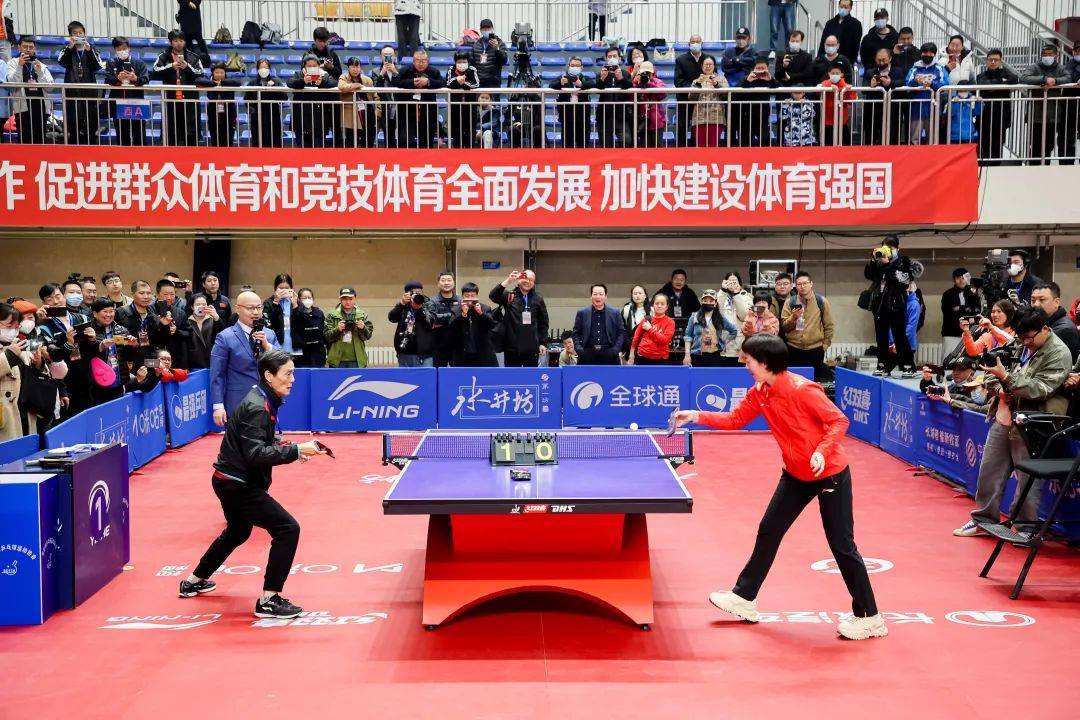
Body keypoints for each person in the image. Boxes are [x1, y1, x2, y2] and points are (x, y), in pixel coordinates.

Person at [672, 334, 886, 641]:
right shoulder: (760, 391)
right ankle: (744, 597)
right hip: (796, 473)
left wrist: (821, 451)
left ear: (764, 362)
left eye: (748, 360)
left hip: (829, 472)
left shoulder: (802, 390)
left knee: (841, 544)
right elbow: (736, 419)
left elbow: (839, 421)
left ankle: (870, 617)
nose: (744, 364)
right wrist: (696, 415)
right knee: (769, 529)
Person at [182, 350, 326, 619]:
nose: (293, 379)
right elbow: (256, 454)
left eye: (293, 373)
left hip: (228, 479)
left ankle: (193, 580)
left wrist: (293, 449)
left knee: (237, 532)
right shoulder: (258, 407)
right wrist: (295, 450)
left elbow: (259, 442)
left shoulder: (263, 398)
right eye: (288, 374)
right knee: (287, 529)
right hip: (238, 485)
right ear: (269, 376)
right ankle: (269, 599)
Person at [954, 307, 1073, 538]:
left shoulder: (1059, 353)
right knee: (989, 473)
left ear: (1045, 329)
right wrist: (999, 386)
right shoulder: (1020, 341)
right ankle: (983, 521)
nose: (1025, 342)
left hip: (1032, 424)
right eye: (1021, 337)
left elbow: (1040, 389)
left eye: (1029, 338)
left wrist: (1006, 379)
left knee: (1028, 480)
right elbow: (991, 370)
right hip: (1002, 416)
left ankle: (1026, 528)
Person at [209, 290, 280, 427]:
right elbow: (217, 374)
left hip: (266, 402)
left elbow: (283, 361)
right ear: (237, 309)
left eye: (258, 307)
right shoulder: (225, 337)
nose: (256, 312)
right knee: (239, 440)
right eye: (250, 308)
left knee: (266, 440)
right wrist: (218, 405)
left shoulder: (269, 334)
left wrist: (267, 346)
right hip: (237, 402)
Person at [864, 239, 917, 375]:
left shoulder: (903, 261)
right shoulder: (879, 262)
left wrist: (887, 265)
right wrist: (873, 260)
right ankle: (882, 365)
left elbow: (903, 279)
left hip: (896, 305)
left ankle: (908, 365)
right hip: (880, 305)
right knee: (881, 338)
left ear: (897, 249)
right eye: (886, 247)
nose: (888, 250)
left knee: (900, 337)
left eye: (891, 247)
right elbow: (869, 275)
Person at [152, 30, 205, 146]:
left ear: (185, 42)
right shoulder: (163, 56)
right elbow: (155, 72)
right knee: (171, 129)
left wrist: (187, 67)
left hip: (189, 100)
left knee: (190, 129)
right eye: (176, 41)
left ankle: (191, 152)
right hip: (170, 99)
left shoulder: (193, 56)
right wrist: (171, 66)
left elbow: (201, 73)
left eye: (181, 40)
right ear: (170, 42)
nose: (179, 43)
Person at [489, 270, 549, 367]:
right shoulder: (509, 295)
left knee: (530, 376)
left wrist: (543, 343)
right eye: (526, 278)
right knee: (512, 376)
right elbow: (493, 295)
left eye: (531, 280)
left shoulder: (538, 298)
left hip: (531, 348)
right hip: (511, 348)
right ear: (519, 279)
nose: (528, 281)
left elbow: (544, 323)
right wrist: (508, 281)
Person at [1023, 45, 1072, 165]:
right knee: (1035, 145)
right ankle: (1034, 169)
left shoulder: (1060, 68)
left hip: (1053, 115)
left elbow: (1068, 77)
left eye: (1050, 54)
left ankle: (1046, 168)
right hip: (1035, 115)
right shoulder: (1034, 67)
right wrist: (1044, 79)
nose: (1047, 56)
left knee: (1049, 145)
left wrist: (1055, 81)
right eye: (1044, 54)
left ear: (1056, 55)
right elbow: (1024, 78)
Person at [57, 21, 104, 145]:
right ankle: (74, 152)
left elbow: (98, 66)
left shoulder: (92, 49)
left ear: (84, 34)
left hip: (90, 95)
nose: (78, 35)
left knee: (91, 128)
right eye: (75, 33)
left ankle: (91, 151)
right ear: (70, 36)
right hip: (72, 95)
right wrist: (70, 48)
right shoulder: (66, 49)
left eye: (80, 33)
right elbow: (62, 63)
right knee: (73, 128)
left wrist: (89, 51)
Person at [780, 271, 834, 378]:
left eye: (805, 283)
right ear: (795, 286)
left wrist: (825, 346)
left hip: (816, 349)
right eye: (799, 284)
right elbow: (785, 327)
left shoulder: (821, 301)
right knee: (794, 381)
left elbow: (829, 326)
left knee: (814, 381)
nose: (802, 286)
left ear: (811, 284)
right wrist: (793, 317)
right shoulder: (789, 302)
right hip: (794, 349)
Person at [0, 302, 38, 441]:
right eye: (8, 326)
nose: (13, 331)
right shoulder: (13, 349)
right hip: (4, 412)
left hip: (24, 408)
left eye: (16, 327)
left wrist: (39, 363)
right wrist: (9, 356)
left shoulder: (19, 344)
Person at [975, 49, 1019, 166]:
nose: (993, 62)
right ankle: (984, 168)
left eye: (996, 60)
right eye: (990, 60)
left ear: (1000, 61)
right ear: (986, 61)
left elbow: (1015, 79)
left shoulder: (1006, 74)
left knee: (998, 144)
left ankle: (996, 168)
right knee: (984, 144)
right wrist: (1001, 82)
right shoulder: (981, 75)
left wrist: (995, 85)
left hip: (1001, 115)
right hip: (985, 115)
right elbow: (984, 85)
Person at [6, 36, 53, 144]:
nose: (28, 49)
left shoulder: (41, 65)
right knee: (24, 139)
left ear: (34, 49)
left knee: (40, 140)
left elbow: (50, 87)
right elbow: (12, 84)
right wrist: (19, 66)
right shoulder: (12, 63)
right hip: (23, 108)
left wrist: (40, 72)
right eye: (25, 47)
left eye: (31, 47)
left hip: (41, 107)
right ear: (19, 47)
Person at [104, 36, 149, 146]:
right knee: (122, 135)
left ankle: (141, 155)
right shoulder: (111, 63)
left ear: (129, 48)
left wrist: (135, 78)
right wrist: (117, 78)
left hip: (137, 103)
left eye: (124, 48)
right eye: (119, 49)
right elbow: (107, 80)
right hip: (118, 103)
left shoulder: (139, 63)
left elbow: (145, 79)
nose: (122, 51)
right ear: (115, 50)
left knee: (139, 135)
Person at [395, 49, 445, 149]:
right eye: (418, 60)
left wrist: (428, 82)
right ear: (413, 61)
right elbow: (396, 82)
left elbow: (442, 83)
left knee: (426, 143)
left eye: (424, 61)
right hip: (407, 112)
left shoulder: (434, 71)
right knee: (405, 140)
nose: (421, 63)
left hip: (427, 112)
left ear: (428, 61)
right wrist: (412, 82)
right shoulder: (405, 70)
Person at [903, 43, 947, 145]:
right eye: (925, 52)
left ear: (934, 54)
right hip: (916, 108)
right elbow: (907, 85)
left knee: (932, 139)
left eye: (930, 53)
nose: (927, 54)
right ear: (921, 53)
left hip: (933, 108)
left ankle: (932, 155)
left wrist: (932, 84)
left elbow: (945, 85)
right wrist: (916, 81)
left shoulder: (940, 68)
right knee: (914, 139)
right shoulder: (914, 68)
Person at [289, 54, 336, 148]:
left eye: (314, 65)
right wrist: (303, 81)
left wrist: (322, 83)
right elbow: (290, 83)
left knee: (318, 150)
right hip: (301, 118)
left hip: (319, 119)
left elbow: (334, 83)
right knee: (302, 149)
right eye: (309, 66)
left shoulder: (324, 75)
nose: (312, 68)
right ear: (304, 67)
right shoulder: (299, 74)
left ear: (319, 66)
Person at [682, 289, 737, 367]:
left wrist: (724, 342)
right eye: (705, 300)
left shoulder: (720, 317)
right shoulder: (694, 317)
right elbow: (688, 336)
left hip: (714, 356)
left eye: (711, 301)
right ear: (701, 302)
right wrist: (687, 355)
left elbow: (733, 331)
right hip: (697, 355)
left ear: (715, 303)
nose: (708, 303)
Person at [115, 280, 169, 361]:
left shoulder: (154, 317)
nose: (146, 296)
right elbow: (115, 339)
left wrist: (164, 325)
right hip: (127, 360)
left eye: (148, 293)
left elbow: (162, 342)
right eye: (141, 293)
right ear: (133, 294)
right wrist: (128, 341)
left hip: (148, 360)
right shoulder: (120, 312)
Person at [572, 284, 624, 365]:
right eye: (595, 294)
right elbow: (576, 333)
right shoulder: (582, 313)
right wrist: (579, 350)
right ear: (591, 296)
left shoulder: (615, 313)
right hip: (587, 354)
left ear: (606, 296)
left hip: (610, 354)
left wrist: (615, 350)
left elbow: (621, 333)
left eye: (601, 294)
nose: (598, 297)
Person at [390, 281, 437, 368]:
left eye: (419, 292)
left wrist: (420, 309)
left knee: (425, 377)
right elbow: (392, 318)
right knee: (405, 377)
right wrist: (401, 304)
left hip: (424, 355)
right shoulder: (403, 305)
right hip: (405, 353)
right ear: (407, 294)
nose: (416, 295)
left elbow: (431, 322)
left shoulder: (428, 303)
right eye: (413, 293)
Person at [861, 48, 903, 146]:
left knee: (891, 137)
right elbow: (863, 89)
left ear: (890, 58)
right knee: (871, 137)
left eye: (884, 60)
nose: (881, 62)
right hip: (873, 110)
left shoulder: (898, 70)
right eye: (879, 60)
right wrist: (870, 86)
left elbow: (903, 82)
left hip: (892, 109)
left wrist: (891, 83)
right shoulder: (870, 72)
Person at [324, 286, 373, 369]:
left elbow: (368, 336)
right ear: (340, 299)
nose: (348, 302)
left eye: (350, 299)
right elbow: (326, 337)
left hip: (357, 361)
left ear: (355, 299)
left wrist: (363, 328)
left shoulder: (362, 315)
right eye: (344, 299)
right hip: (337, 361)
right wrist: (337, 330)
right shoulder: (331, 315)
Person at [594, 45, 633, 148]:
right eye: (609, 56)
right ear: (606, 58)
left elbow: (629, 87)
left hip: (621, 115)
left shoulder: (625, 73)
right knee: (606, 145)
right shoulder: (601, 73)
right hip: (604, 115)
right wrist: (602, 78)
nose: (612, 58)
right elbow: (597, 89)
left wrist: (620, 78)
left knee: (627, 140)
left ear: (619, 58)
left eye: (614, 56)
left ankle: (619, 155)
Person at [450, 283, 497, 367]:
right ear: (462, 296)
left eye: (472, 296)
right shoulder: (456, 309)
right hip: (463, 352)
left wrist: (481, 313)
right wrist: (463, 314)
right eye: (467, 296)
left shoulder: (485, 308)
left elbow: (492, 325)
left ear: (477, 296)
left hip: (483, 352)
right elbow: (452, 327)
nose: (470, 298)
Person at [674, 34, 709, 146]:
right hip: (685, 99)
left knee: (699, 128)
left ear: (702, 44)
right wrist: (693, 87)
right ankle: (680, 151)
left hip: (702, 100)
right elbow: (678, 81)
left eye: (698, 42)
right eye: (693, 42)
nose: (695, 44)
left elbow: (713, 76)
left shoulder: (708, 59)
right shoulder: (681, 60)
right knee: (682, 127)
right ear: (689, 44)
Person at [1030, 282, 1080, 361]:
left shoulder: (1064, 330)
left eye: (1042, 300)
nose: (1036, 304)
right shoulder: (1041, 323)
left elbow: (1041, 361)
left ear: (1056, 302)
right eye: (1033, 300)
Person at [658, 269, 701, 360]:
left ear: (685, 281)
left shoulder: (689, 293)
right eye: (676, 279)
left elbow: (698, 310)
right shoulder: (664, 292)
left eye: (681, 280)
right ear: (671, 280)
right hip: (667, 326)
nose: (679, 282)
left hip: (686, 327)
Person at [338, 57, 378, 148]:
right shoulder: (344, 77)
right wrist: (356, 85)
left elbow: (375, 96)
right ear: (348, 68)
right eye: (353, 67)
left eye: (357, 67)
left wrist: (377, 112)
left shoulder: (367, 80)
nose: (355, 69)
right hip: (352, 115)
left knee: (368, 142)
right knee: (351, 142)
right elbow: (342, 87)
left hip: (367, 114)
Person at [246, 58, 286, 148]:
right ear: (257, 69)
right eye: (261, 67)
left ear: (270, 69)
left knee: (274, 141)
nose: (263, 70)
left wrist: (274, 88)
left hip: (273, 115)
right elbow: (247, 99)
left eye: (266, 67)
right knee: (258, 140)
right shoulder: (252, 83)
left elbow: (284, 97)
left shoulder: (276, 81)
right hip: (257, 117)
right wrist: (252, 110)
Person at [627, 293, 675, 365]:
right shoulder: (646, 319)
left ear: (666, 307)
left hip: (660, 359)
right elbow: (636, 338)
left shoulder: (670, 322)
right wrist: (631, 355)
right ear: (653, 305)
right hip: (642, 357)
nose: (659, 306)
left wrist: (650, 329)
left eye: (662, 304)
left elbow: (664, 340)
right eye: (657, 303)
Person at [940, 268, 979, 355]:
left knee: (967, 359)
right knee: (948, 358)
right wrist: (966, 309)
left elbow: (976, 312)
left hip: (969, 333)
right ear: (954, 280)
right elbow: (948, 312)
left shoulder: (973, 294)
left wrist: (959, 308)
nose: (961, 281)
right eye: (958, 278)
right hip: (951, 333)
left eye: (963, 278)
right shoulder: (947, 294)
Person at [690, 56, 727, 147]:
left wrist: (716, 84)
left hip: (716, 118)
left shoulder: (721, 79)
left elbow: (726, 95)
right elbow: (691, 98)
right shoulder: (696, 81)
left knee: (713, 146)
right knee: (700, 147)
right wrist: (698, 84)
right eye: (706, 64)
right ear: (702, 66)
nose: (708, 66)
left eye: (710, 64)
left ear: (714, 66)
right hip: (699, 119)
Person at [446, 51, 480, 149]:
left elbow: (476, 84)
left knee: (470, 135)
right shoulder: (451, 69)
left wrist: (463, 83)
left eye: (464, 61)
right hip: (455, 108)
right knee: (457, 136)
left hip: (470, 108)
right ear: (455, 62)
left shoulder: (472, 69)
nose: (462, 64)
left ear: (468, 62)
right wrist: (457, 80)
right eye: (459, 62)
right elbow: (448, 83)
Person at [718, 273, 752, 366]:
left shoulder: (747, 296)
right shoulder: (721, 295)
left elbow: (744, 316)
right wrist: (723, 290)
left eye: (734, 281)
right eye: (730, 281)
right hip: (723, 343)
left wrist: (737, 294)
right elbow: (716, 313)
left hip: (739, 344)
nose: (732, 284)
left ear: (739, 283)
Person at [817, 0, 862, 68]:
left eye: (845, 7)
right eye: (841, 6)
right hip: (828, 59)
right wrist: (819, 58)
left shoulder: (856, 24)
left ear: (850, 8)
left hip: (845, 61)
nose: (843, 9)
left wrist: (851, 62)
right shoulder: (830, 23)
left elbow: (855, 46)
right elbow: (823, 42)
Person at [154, 279, 189, 366]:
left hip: (174, 357)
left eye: (172, 294)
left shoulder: (180, 313)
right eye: (165, 294)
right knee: (155, 373)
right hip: (154, 355)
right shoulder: (149, 310)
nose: (169, 297)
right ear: (157, 295)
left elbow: (188, 332)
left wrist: (177, 331)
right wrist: (160, 325)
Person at [818, 61, 854, 146]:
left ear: (842, 75)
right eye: (832, 73)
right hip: (827, 121)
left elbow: (851, 100)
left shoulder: (846, 85)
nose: (835, 75)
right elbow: (819, 88)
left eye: (837, 73)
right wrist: (830, 87)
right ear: (829, 74)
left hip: (842, 120)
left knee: (845, 144)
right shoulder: (825, 83)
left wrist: (849, 90)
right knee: (828, 144)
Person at [631, 60, 666, 148]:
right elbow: (629, 95)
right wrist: (636, 82)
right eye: (644, 73)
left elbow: (663, 94)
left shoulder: (658, 81)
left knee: (658, 147)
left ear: (652, 73)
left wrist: (649, 83)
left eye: (648, 73)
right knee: (644, 148)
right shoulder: (636, 82)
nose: (646, 75)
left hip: (657, 120)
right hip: (642, 120)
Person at [371, 46, 400, 148]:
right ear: (381, 57)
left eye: (390, 55)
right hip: (385, 108)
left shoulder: (401, 69)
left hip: (400, 107)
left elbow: (404, 84)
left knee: (403, 136)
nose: (388, 58)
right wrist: (381, 74)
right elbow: (376, 90)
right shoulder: (376, 71)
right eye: (385, 55)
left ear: (395, 56)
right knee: (388, 135)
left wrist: (395, 72)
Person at [185, 293, 223, 370]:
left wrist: (216, 317)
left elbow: (222, 334)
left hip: (211, 362)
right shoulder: (187, 322)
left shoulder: (213, 320)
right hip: (193, 363)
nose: (201, 307)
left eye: (204, 304)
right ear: (192, 307)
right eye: (198, 304)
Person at [206, 62, 240, 147]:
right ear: (213, 73)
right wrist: (214, 84)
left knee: (228, 142)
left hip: (229, 116)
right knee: (215, 141)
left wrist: (222, 83)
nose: (219, 75)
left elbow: (238, 83)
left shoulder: (229, 81)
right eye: (217, 72)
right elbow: (198, 81)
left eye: (222, 72)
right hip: (213, 116)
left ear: (225, 73)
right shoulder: (209, 82)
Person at [429, 271, 460, 368]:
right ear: (438, 283)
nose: (446, 283)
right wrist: (454, 316)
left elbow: (463, 320)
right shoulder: (432, 301)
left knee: (457, 373)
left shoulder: (461, 301)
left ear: (454, 283)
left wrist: (441, 319)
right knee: (437, 373)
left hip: (457, 345)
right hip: (437, 345)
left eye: (449, 280)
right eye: (443, 280)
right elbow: (432, 319)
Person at [291, 288, 327, 368]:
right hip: (301, 356)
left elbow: (323, 332)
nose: (307, 300)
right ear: (299, 299)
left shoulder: (318, 312)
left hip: (318, 355)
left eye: (309, 297)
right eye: (304, 298)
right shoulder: (295, 313)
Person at [470, 19, 507, 88]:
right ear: (480, 30)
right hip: (478, 81)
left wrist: (497, 49)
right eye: (484, 28)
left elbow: (503, 61)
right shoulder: (476, 44)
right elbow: (471, 62)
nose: (486, 30)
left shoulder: (500, 43)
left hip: (494, 81)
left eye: (488, 28)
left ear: (492, 29)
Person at [620, 285, 649, 362]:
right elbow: (622, 330)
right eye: (635, 293)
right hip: (629, 347)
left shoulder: (652, 310)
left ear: (645, 296)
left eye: (640, 293)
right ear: (632, 296)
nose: (637, 295)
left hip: (646, 348)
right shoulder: (626, 309)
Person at [175, 0, 208, 65]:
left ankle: (206, 59)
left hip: (194, 17)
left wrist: (189, 3)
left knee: (199, 39)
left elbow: (198, 2)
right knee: (187, 40)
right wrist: (188, 2)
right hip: (185, 16)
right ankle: (190, 61)